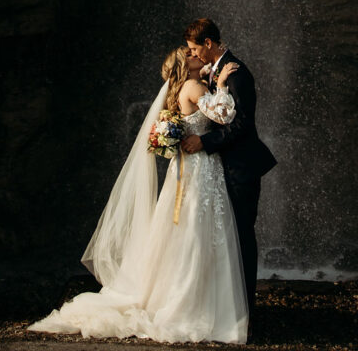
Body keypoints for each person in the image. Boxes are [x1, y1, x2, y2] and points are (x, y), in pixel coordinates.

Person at [27, 46, 249, 343]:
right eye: (193, 55)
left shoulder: (182, 86)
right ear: (187, 65)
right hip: (198, 169)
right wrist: (221, 85)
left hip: (185, 169)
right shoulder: (195, 86)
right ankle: (198, 303)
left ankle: (189, 295)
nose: (199, 57)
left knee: (188, 229)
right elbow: (224, 115)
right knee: (199, 229)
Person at [183, 18, 277, 314]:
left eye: (195, 49)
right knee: (227, 237)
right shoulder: (213, 73)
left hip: (241, 168)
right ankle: (227, 305)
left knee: (242, 236)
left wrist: (205, 143)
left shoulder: (236, 72)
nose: (194, 55)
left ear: (208, 43)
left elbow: (242, 124)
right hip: (222, 169)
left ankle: (245, 309)